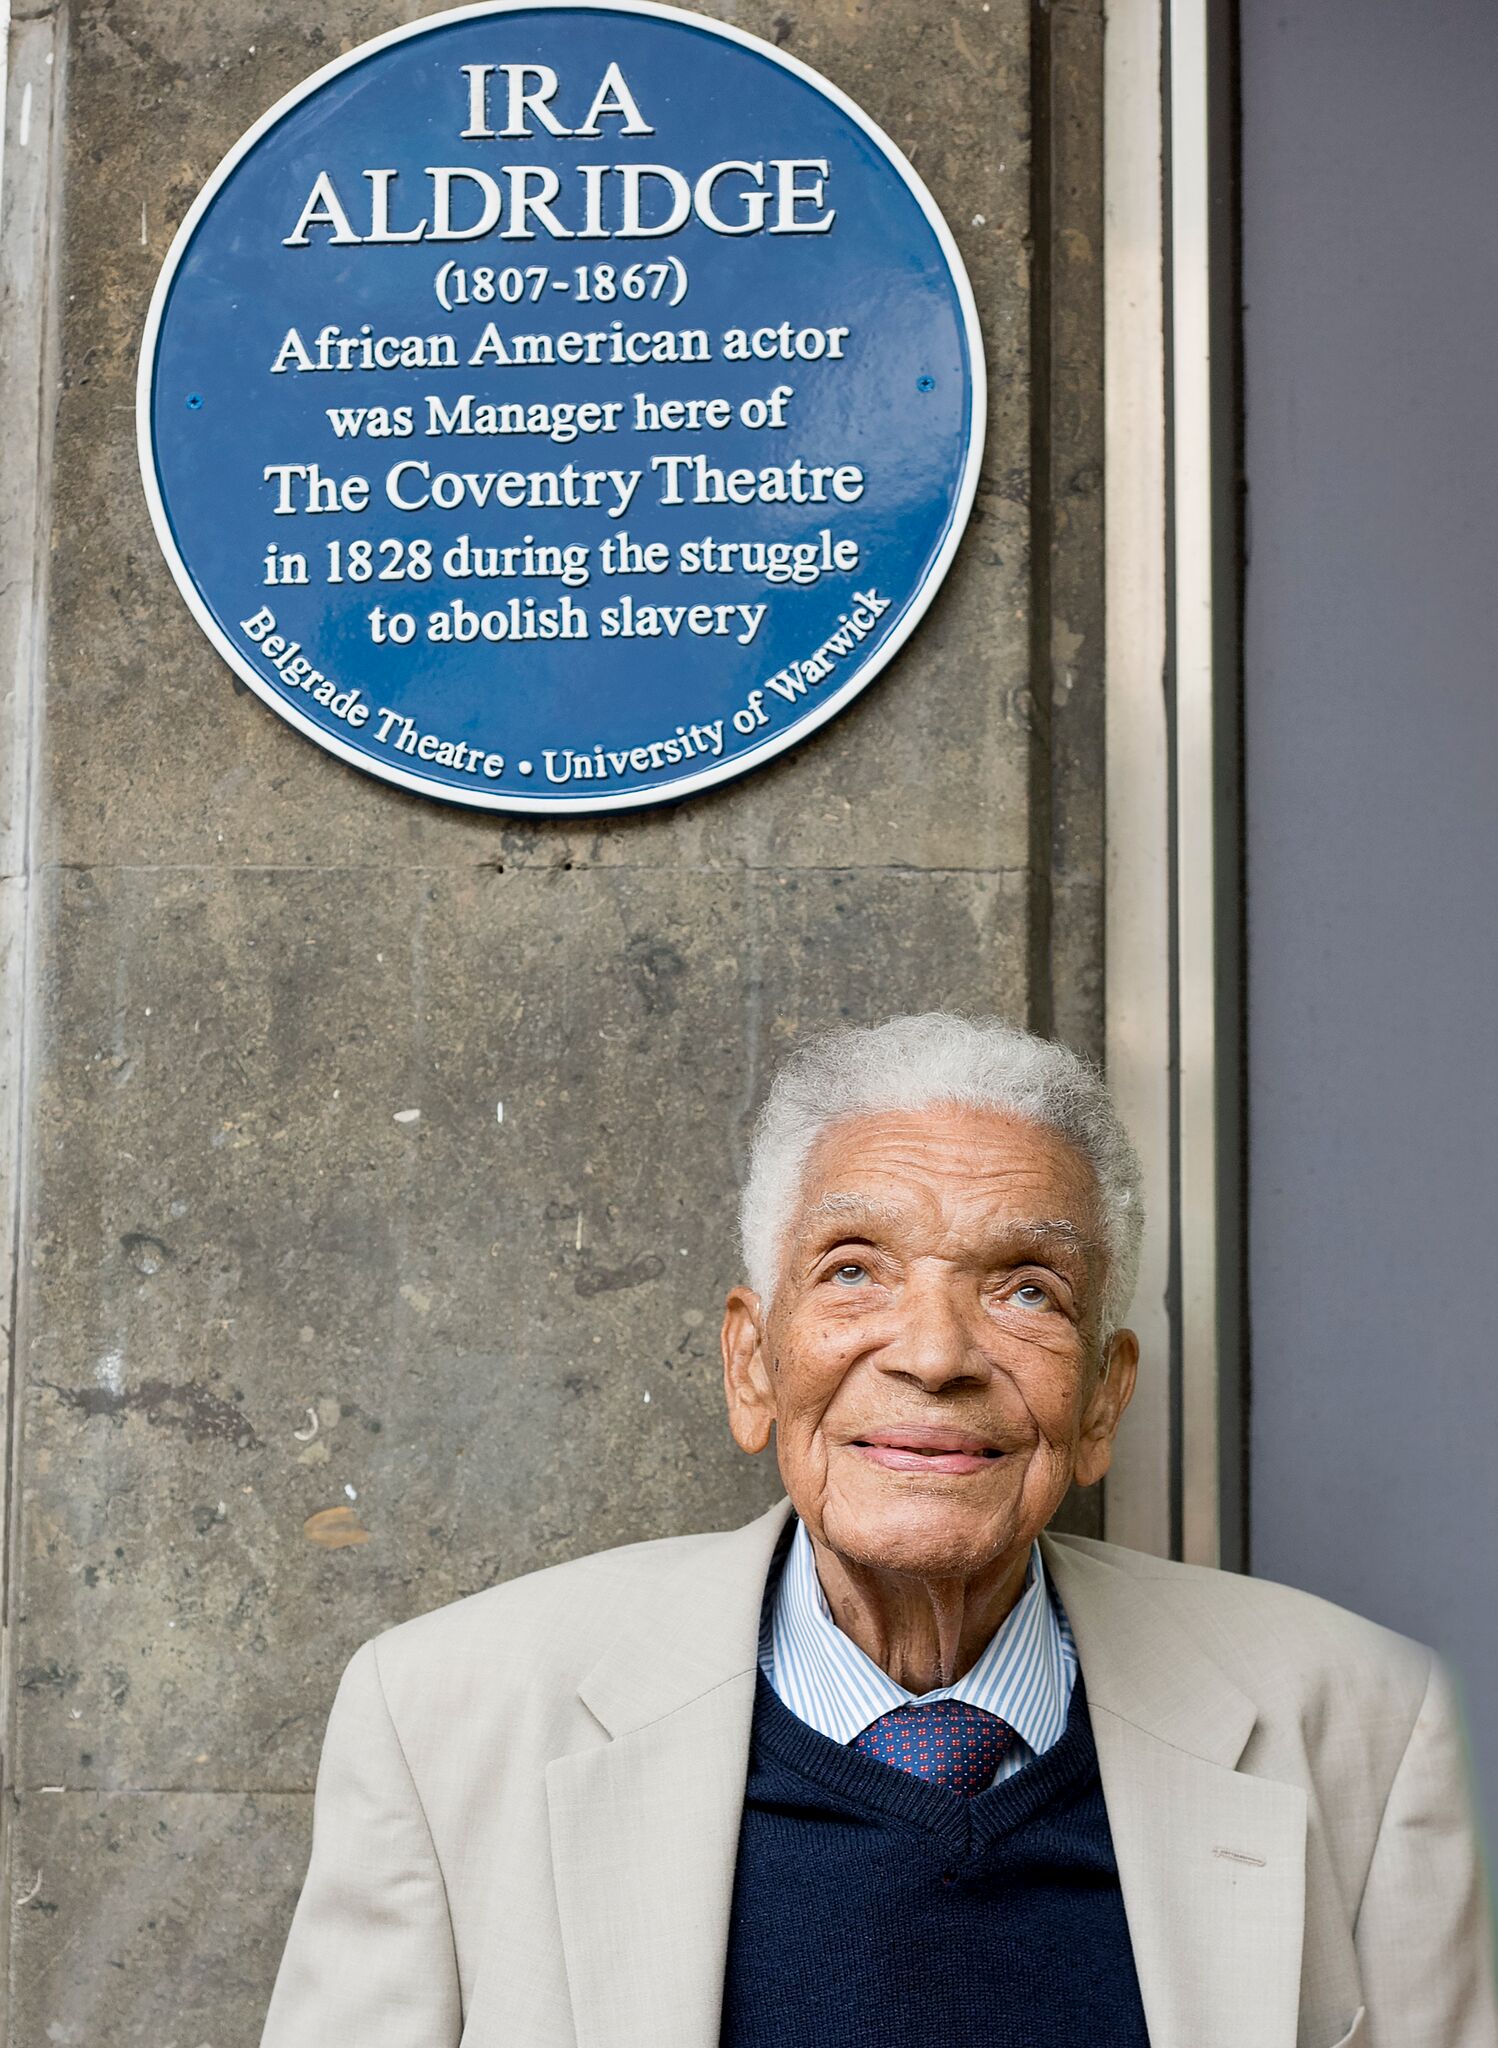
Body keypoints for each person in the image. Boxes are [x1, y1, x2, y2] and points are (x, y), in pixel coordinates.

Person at [260, 1013, 1498, 2048]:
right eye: (855, 1269)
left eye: (1025, 1288)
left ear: (1104, 1396)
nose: (936, 1352)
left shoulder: (1362, 1724)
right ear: (752, 1362)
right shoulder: (447, 1717)